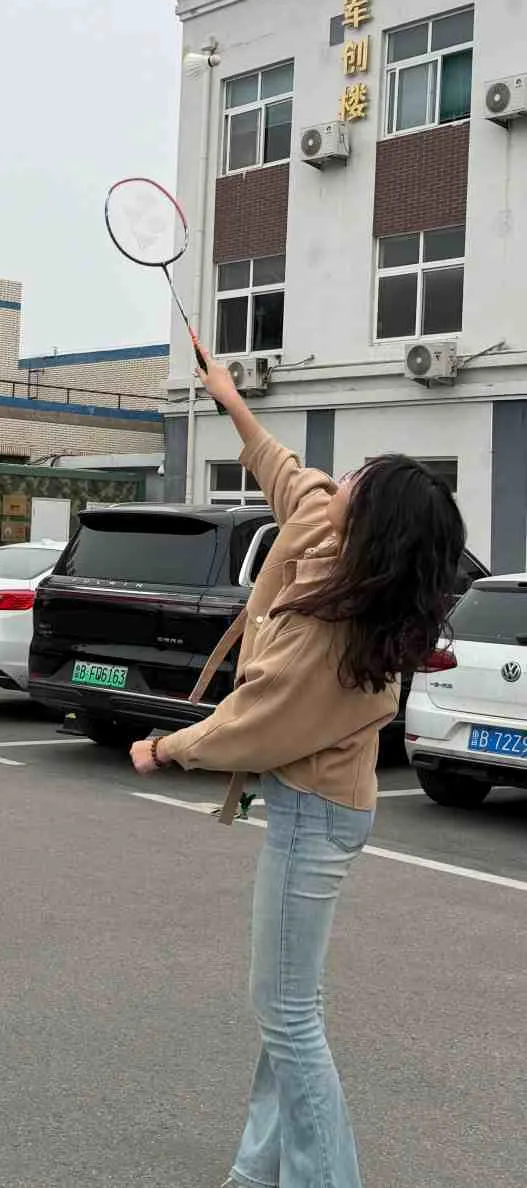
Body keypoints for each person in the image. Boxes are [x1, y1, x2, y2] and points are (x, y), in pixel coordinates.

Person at [131, 345, 464, 1188]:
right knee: (289, 1014)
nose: (339, 478)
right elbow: (280, 467)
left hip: (315, 813)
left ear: (369, 523)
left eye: (357, 479)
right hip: (314, 806)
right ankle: (256, 1174)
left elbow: (265, 721)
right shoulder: (324, 530)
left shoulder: (340, 627)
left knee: (285, 1016)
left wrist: (167, 747)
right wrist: (226, 396)